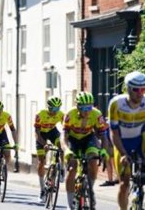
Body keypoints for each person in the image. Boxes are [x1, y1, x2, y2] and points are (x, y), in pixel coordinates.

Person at [61, 91, 109, 209]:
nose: (87, 110)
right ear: (77, 106)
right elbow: (64, 135)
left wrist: (103, 151)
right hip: (73, 139)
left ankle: (90, 189)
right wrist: (66, 150)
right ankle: (70, 203)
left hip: (88, 138)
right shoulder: (70, 114)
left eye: (89, 107)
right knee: (72, 168)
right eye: (83, 107)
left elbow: (103, 136)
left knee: (93, 160)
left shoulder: (96, 114)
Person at [108, 71, 145, 210]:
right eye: (136, 90)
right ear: (128, 88)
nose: (140, 93)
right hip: (122, 142)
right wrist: (123, 153)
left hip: (140, 139)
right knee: (124, 184)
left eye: (143, 89)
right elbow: (114, 133)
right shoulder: (116, 104)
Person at [34, 96, 64, 203]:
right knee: (41, 161)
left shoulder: (61, 114)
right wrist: (44, 144)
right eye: (54, 109)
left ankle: (62, 170)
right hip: (41, 134)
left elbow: (66, 129)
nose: (56, 112)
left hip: (52, 132)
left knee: (62, 146)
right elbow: (37, 133)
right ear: (49, 107)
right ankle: (42, 190)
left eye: (58, 109)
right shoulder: (40, 114)